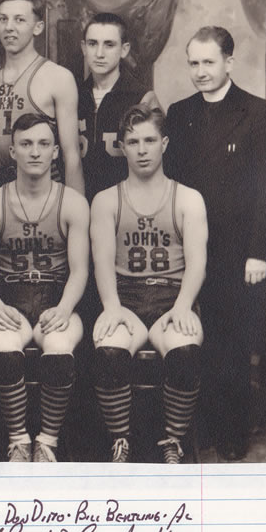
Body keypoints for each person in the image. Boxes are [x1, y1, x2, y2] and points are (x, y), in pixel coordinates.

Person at [164, 27, 266, 461]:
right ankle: (199, 432)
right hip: (187, 250)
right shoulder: (178, 114)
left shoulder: (257, 112)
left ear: (228, 62)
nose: (200, 71)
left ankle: (233, 434)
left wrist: (258, 252)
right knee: (196, 339)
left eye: (208, 62)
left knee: (232, 343)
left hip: (238, 253)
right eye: (193, 63)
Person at [91, 104, 207, 463]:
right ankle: (120, 439)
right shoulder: (106, 199)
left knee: (185, 353)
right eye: (133, 141)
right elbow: (102, 261)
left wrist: (184, 305)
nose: (142, 150)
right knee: (109, 352)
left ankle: (173, 440)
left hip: (173, 296)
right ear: (121, 146)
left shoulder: (187, 197)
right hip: (125, 297)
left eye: (149, 140)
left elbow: (197, 261)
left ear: (165, 143)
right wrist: (111, 306)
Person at [0, 113, 89, 462]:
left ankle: (47, 442)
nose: (34, 152)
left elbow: (80, 270)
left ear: (56, 151)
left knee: (58, 348)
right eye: (26, 145)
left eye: (43, 144)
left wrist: (65, 308)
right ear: (12, 151)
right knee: (5, 347)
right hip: (9, 296)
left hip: (56, 296)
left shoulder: (72, 202)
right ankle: (19, 440)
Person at [0, 0, 83, 196]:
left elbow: (71, 156)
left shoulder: (58, 78)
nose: (9, 27)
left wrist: (77, 212)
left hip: (42, 188)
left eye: (19, 20)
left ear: (37, 27)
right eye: (3, 19)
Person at [78, 12, 160, 203]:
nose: (99, 53)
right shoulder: (72, 95)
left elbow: (158, 163)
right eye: (92, 44)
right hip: (81, 205)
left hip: (127, 207)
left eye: (109, 44)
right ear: (83, 48)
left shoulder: (142, 98)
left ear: (124, 50)